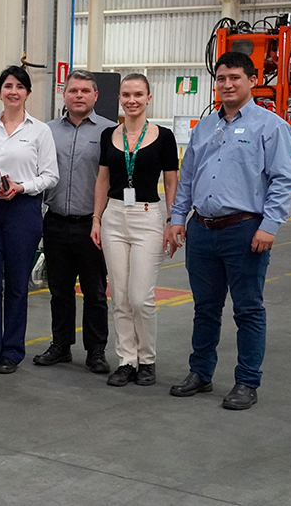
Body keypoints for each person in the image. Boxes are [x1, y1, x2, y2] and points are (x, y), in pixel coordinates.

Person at [167, 52, 291, 410]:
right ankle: (200, 373)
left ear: (252, 80)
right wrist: (177, 218)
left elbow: (283, 180)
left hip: (245, 230)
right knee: (205, 308)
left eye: (235, 77)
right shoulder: (205, 126)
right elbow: (188, 177)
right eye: (221, 78)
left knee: (248, 309)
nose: (227, 84)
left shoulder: (271, 126)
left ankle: (247, 381)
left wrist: (269, 226)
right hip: (202, 230)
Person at [0, 65, 59, 375]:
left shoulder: (39, 131)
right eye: (8, 86)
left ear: (28, 93)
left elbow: (50, 176)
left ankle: (12, 351)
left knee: (17, 284)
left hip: (23, 210)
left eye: (19, 86)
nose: (13, 91)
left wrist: (21, 187)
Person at [91, 73, 178, 387]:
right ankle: (127, 360)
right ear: (119, 98)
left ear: (148, 98)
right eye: (126, 94)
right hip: (114, 217)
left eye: (138, 94)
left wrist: (172, 220)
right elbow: (103, 180)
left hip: (148, 217)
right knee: (120, 297)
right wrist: (97, 219)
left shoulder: (164, 137)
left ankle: (147, 360)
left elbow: (171, 181)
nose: (132, 100)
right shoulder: (108, 135)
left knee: (141, 298)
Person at [34, 71, 116, 374]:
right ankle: (61, 345)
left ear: (95, 96)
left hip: (92, 225)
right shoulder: (47, 131)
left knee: (95, 292)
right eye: (73, 90)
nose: (78, 95)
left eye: (85, 91)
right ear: (64, 95)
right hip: (55, 222)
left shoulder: (110, 131)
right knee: (60, 290)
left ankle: (96, 351)